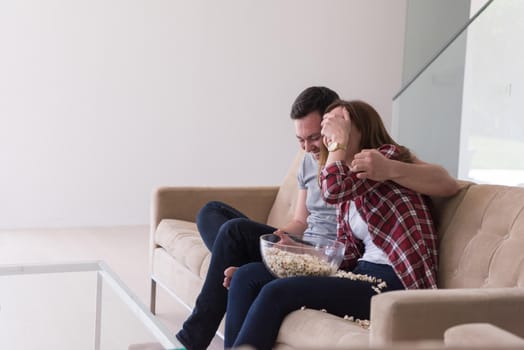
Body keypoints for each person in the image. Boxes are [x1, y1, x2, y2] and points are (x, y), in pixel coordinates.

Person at [176, 87, 458, 349]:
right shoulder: (352, 185)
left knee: (276, 292)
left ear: (358, 131)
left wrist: (356, 152)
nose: (323, 144)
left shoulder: (382, 159)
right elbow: (344, 251)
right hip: (357, 270)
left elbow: (333, 189)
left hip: (394, 282)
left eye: (327, 135)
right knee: (247, 276)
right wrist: (283, 251)